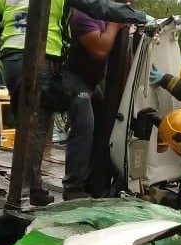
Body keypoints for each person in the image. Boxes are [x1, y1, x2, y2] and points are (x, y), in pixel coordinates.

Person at [0, 0, 151, 206]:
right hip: (42, 59)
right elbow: (99, 7)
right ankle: (66, 187)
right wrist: (138, 16)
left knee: (30, 125)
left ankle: (32, 188)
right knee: (63, 115)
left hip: (12, 62)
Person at [62, 12, 124, 200]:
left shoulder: (104, 14)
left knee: (105, 119)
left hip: (90, 83)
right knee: (85, 123)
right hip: (70, 77)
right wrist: (115, 24)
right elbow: (100, 49)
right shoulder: (83, 15)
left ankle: (91, 179)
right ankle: (73, 186)